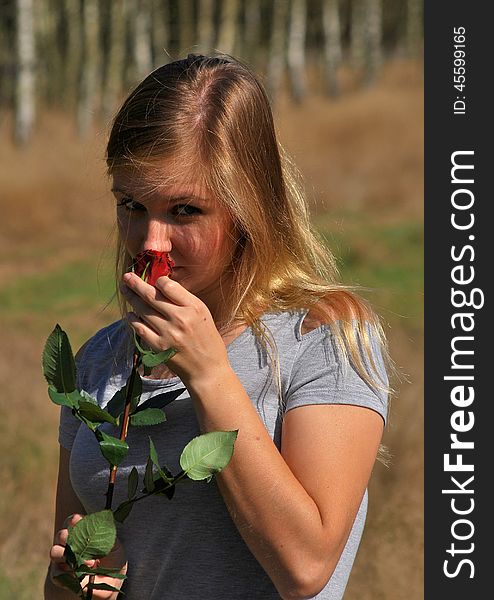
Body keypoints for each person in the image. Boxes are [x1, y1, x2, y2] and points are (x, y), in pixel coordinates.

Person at [45, 54, 390, 600]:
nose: (150, 240)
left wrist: (208, 374)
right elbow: (62, 579)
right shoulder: (97, 361)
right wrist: (82, 581)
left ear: (247, 206)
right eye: (131, 203)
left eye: (183, 210)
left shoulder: (323, 337)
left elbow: (305, 568)